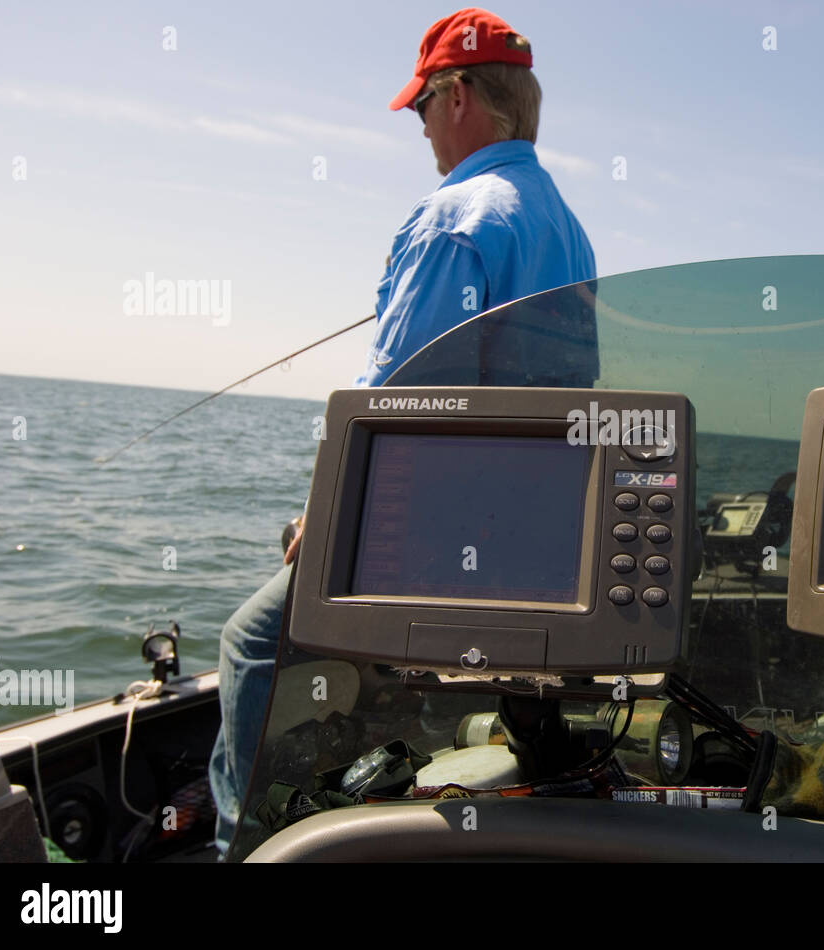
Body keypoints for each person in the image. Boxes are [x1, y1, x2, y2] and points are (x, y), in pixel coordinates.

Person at [208, 7, 597, 855]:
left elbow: (396, 406)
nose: (419, 128)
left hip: (443, 539)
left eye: (421, 107)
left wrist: (325, 517)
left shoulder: (454, 217)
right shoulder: (567, 226)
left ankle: (237, 845)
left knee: (248, 642)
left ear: (458, 95)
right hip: (533, 543)